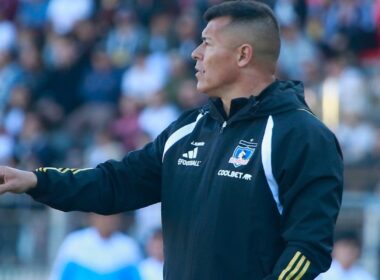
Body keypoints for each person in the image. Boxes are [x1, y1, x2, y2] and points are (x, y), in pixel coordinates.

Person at [0, 1, 343, 279]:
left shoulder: (303, 136)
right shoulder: (188, 128)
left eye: (207, 43)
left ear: (243, 55)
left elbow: (307, 249)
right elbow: (115, 183)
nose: (195, 53)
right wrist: (33, 180)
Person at [50, 214, 142, 280]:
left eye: (111, 215)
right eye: (102, 216)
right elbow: (58, 275)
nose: (107, 220)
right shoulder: (75, 243)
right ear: (92, 217)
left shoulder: (128, 246)